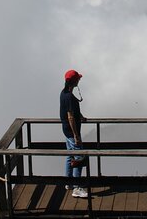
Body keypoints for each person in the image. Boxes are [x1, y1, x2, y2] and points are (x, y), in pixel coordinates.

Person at [60, 69, 89, 198]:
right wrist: (76, 136)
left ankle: (69, 182)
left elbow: (70, 111)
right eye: (78, 78)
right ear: (74, 81)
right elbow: (71, 116)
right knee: (79, 158)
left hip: (66, 131)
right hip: (72, 133)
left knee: (70, 155)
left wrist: (81, 116)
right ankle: (77, 187)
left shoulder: (63, 93)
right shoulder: (70, 97)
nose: (80, 80)